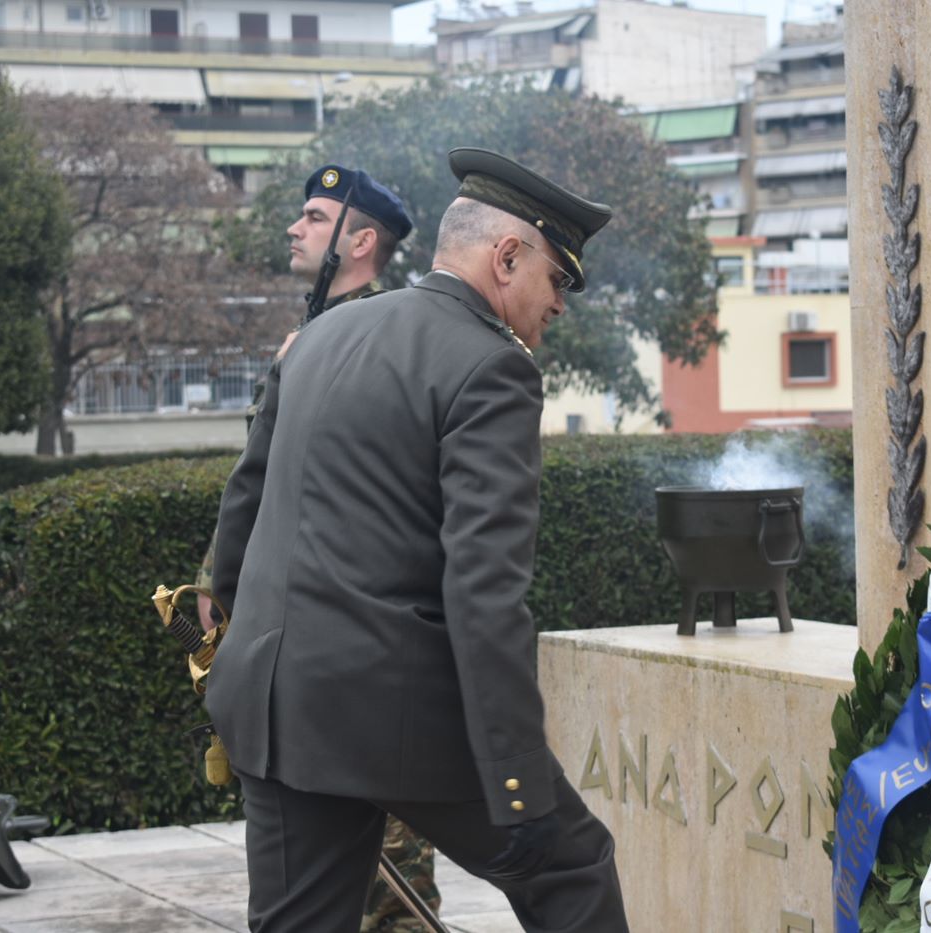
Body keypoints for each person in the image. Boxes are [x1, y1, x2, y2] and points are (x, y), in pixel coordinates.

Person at [205, 147, 627, 933]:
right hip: (381, 707)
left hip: (269, 698)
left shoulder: (326, 335)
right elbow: (484, 593)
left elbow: (248, 490)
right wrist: (516, 783)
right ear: (506, 256)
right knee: (572, 865)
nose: (559, 304)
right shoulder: (494, 367)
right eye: (557, 279)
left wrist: (220, 604)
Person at [196, 164, 441, 932]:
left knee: (390, 885)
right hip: (288, 642)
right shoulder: (309, 337)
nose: (295, 227)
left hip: (354, 650)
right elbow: (259, 480)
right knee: (310, 876)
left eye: (313, 215)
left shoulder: (388, 339)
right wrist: (218, 581)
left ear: (360, 240)